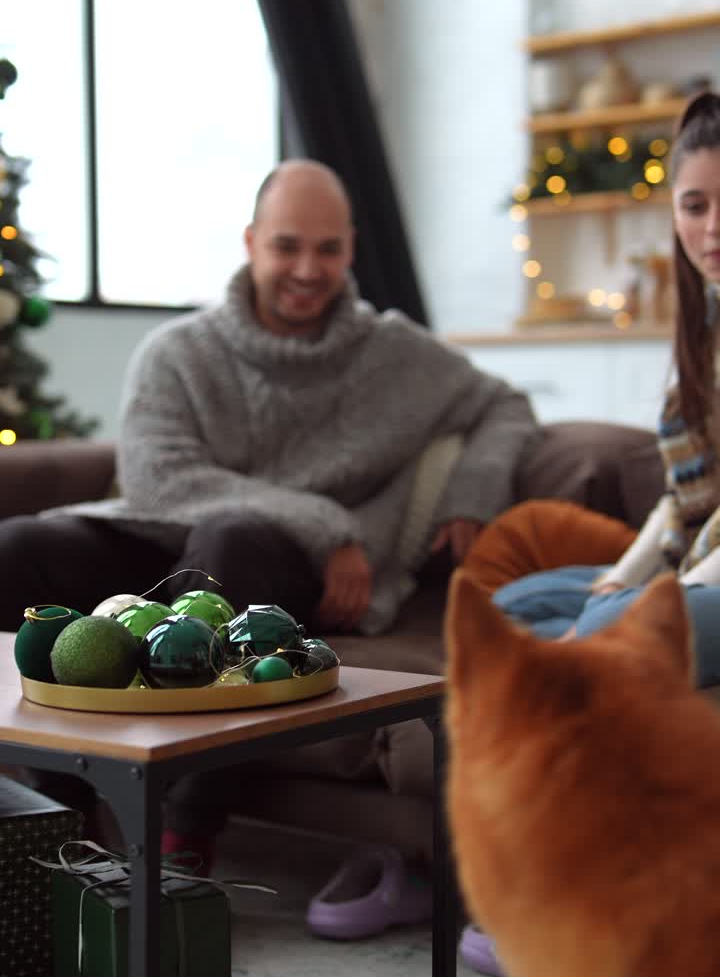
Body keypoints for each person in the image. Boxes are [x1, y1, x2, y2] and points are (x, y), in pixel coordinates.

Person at [2, 159, 538, 912]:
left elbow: (505, 403)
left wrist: (475, 491)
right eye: (288, 246)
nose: (307, 270)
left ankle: (178, 829)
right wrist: (325, 523)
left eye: (328, 249)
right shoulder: (180, 351)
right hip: (167, 537)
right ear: (252, 242)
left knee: (231, 544)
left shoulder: (396, 355)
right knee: (19, 548)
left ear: (351, 249)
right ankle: (64, 805)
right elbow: (158, 481)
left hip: (277, 578)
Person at [459, 89, 720, 977]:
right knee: (510, 612)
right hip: (698, 561)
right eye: (695, 204)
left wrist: (660, 598)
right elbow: (683, 497)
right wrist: (625, 572)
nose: (712, 226)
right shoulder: (703, 326)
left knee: (601, 644)